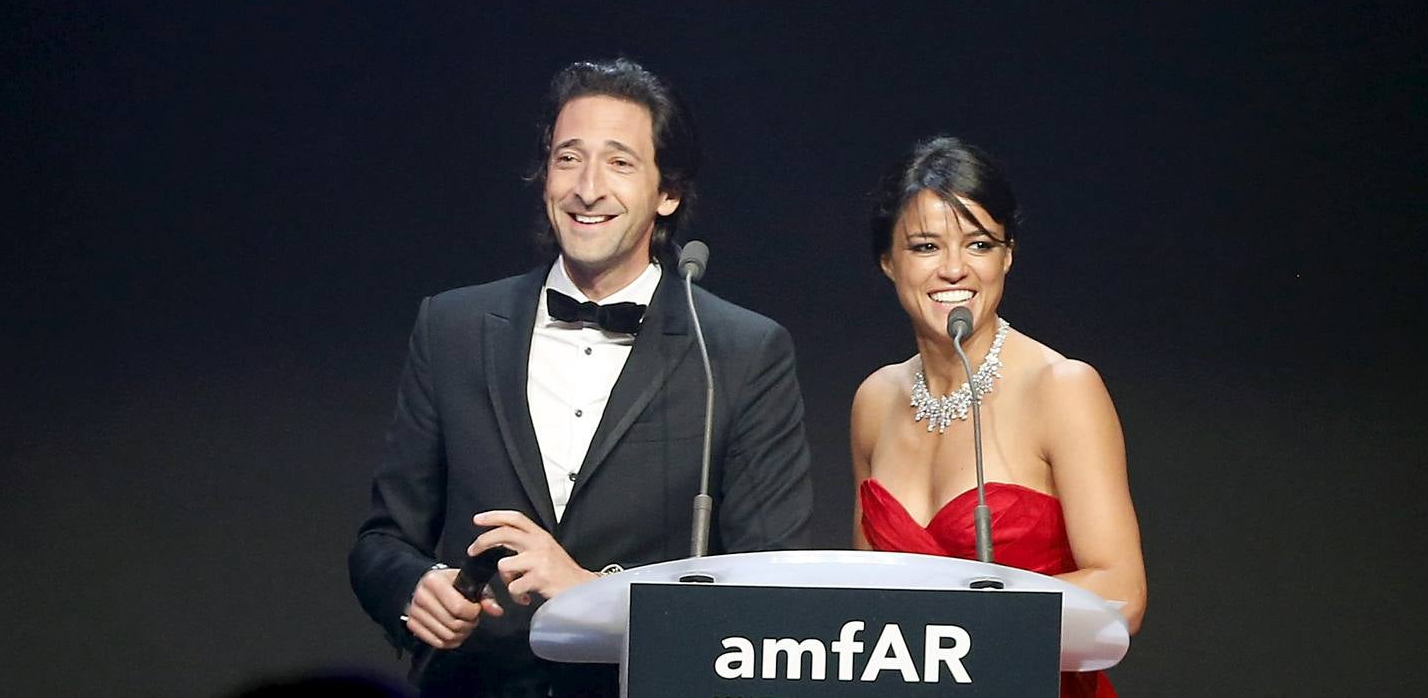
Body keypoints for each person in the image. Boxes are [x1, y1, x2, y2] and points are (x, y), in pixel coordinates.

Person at [349, 58, 814, 697]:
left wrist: (595, 595)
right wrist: (414, 589)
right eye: (569, 159)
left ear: (668, 192)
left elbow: (769, 590)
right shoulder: (453, 327)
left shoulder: (739, 351)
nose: (587, 188)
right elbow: (383, 541)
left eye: (619, 163)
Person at [850, 135, 1146, 698]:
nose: (954, 269)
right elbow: (867, 599)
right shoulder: (875, 400)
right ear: (888, 261)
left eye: (980, 244)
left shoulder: (1061, 388)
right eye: (925, 247)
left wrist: (969, 619)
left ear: (1007, 255)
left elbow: (1122, 594)